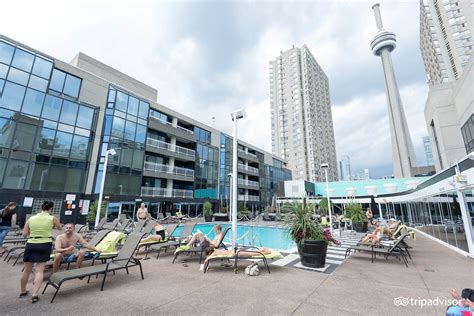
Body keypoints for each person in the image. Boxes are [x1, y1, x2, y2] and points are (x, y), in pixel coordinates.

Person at [20, 201, 61, 303]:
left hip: (31, 243)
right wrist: (52, 226)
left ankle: (23, 291)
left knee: (27, 270)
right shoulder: (52, 218)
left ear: (41, 208)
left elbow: (24, 234)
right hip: (45, 244)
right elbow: (60, 228)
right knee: (39, 271)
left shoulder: (31, 218)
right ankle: (34, 295)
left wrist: (32, 231)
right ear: (51, 208)